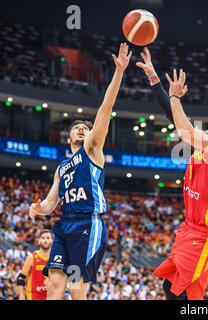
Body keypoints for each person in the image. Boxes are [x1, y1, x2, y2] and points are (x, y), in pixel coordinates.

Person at [136, 48, 208, 300]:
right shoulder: (206, 142)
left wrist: (176, 98)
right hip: (189, 228)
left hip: (207, 233)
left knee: (184, 294)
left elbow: (185, 131)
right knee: (169, 287)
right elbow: (173, 115)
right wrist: (154, 76)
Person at [28, 43, 132, 300]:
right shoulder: (61, 168)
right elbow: (51, 203)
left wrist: (118, 72)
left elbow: (105, 109)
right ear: (68, 138)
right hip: (64, 224)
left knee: (76, 288)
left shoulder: (92, 150)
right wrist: (37, 208)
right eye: (76, 127)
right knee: (54, 285)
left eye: (85, 127)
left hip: (88, 222)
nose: (81, 129)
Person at [17, 229, 53, 300]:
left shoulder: (56, 258)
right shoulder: (31, 258)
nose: (45, 240)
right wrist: (21, 295)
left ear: (52, 241)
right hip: (34, 295)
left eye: (48, 238)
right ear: (39, 241)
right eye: (43, 238)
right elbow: (20, 278)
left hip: (52, 294)